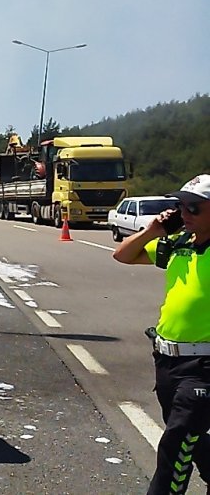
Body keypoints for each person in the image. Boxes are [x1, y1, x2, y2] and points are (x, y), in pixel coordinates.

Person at [112, 174, 210, 495]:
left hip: (203, 368)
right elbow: (124, 255)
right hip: (167, 362)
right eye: (181, 206)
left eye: (194, 208)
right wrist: (153, 230)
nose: (185, 214)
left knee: (175, 443)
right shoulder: (179, 244)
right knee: (188, 437)